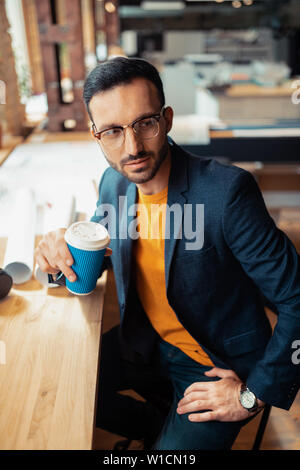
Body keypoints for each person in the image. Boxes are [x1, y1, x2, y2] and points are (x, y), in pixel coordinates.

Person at [35, 57, 300, 450]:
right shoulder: (114, 182)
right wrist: (58, 257)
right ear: (96, 135)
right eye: (112, 131)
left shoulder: (226, 193)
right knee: (57, 382)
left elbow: (297, 297)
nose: (133, 148)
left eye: (145, 123)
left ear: (168, 118)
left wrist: (252, 394)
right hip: (145, 342)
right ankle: (158, 427)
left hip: (215, 364)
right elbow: (100, 252)